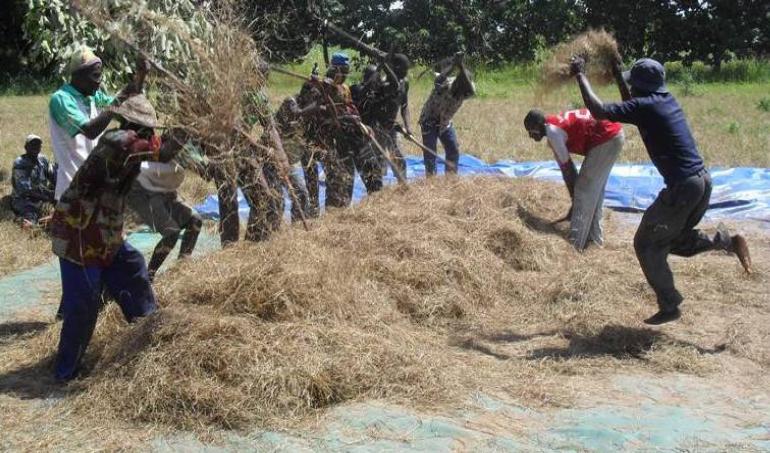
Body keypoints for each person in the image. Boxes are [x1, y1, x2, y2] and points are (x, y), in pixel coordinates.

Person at [571, 56, 752, 325]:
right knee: (669, 240)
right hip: (701, 183)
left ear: (642, 88)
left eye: (634, 84)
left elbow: (598, 110)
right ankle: (724, 240)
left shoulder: (646, 106)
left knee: (645, 243)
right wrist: (619, 76)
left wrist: (580, 75)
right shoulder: (662, 102)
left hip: (682, 189)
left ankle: (670, 305)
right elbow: (630, 105)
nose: (631, 89)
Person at [50, 95, 184, 381]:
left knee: (133, 267)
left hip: (105, 228)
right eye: (146, 128)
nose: (150, 134)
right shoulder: (119, 140)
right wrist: (192, 123)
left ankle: (146, 335)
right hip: (79, 230)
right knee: (84, 302)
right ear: (133, 124)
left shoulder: (135, 142)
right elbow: (164, 151)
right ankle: (66, 371)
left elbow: (163, 150)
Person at [524, 108, 624, 250]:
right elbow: (567, 171)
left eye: (530, 131)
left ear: (538, 125)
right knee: (593, 192)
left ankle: (575, 245)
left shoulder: (552, 132)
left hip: (607, 137)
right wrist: (573, 199)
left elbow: (569, 169)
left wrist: (575, 200)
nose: (530, 136)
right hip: (612, 134)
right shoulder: (554, 127)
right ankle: (594, 241)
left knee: (584, 190)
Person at [48, 46, 141, 200]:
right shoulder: (61, 99)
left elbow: (122, 112)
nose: (99, 82)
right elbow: (90, 131)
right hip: (72, 189)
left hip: (94, 185)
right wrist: (120, 97)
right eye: (95, 76)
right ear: (78, 75)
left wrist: (140, 78)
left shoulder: (93, 96)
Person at [126, 159, 203, 282]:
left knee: (195, 220)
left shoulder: (181, 149)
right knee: (171, 232)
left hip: (164, 186)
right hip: (142, 189)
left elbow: (194, 162)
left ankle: (181, 269)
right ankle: (148, 277)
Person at [353, 55, 412, 178]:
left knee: (399, 159)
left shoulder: (405, 83)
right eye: (404, 70)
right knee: (377, 164)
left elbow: (404, 106)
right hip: (377, 128)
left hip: (391, 127)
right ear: (395, 68)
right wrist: (383, 64)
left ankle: (403, 187)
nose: (406, 73)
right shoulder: (384, 85)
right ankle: (378, 192)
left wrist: (408, 127)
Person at [419, 52, 476, 176]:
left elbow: (471, 90)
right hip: (429, 120)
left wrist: (461, 66)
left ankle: (450, 180)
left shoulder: (466, 90)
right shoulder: (446, 84)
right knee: (430, 153)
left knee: (453, 149)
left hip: (444, 122)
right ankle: (431, 181)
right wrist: (454, 66)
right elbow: (438, 80)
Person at [10, 134, 56, 225]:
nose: (35, 147)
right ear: (26, 147)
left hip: (41, 198)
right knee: (31, 216)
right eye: (32, 144)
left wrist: (59, 191)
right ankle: (19, 220)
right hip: (23, 199)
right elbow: (26, 190)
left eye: (38, 144)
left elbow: (53, 176)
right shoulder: (20, 164)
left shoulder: (43, 160)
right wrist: (49, 196)